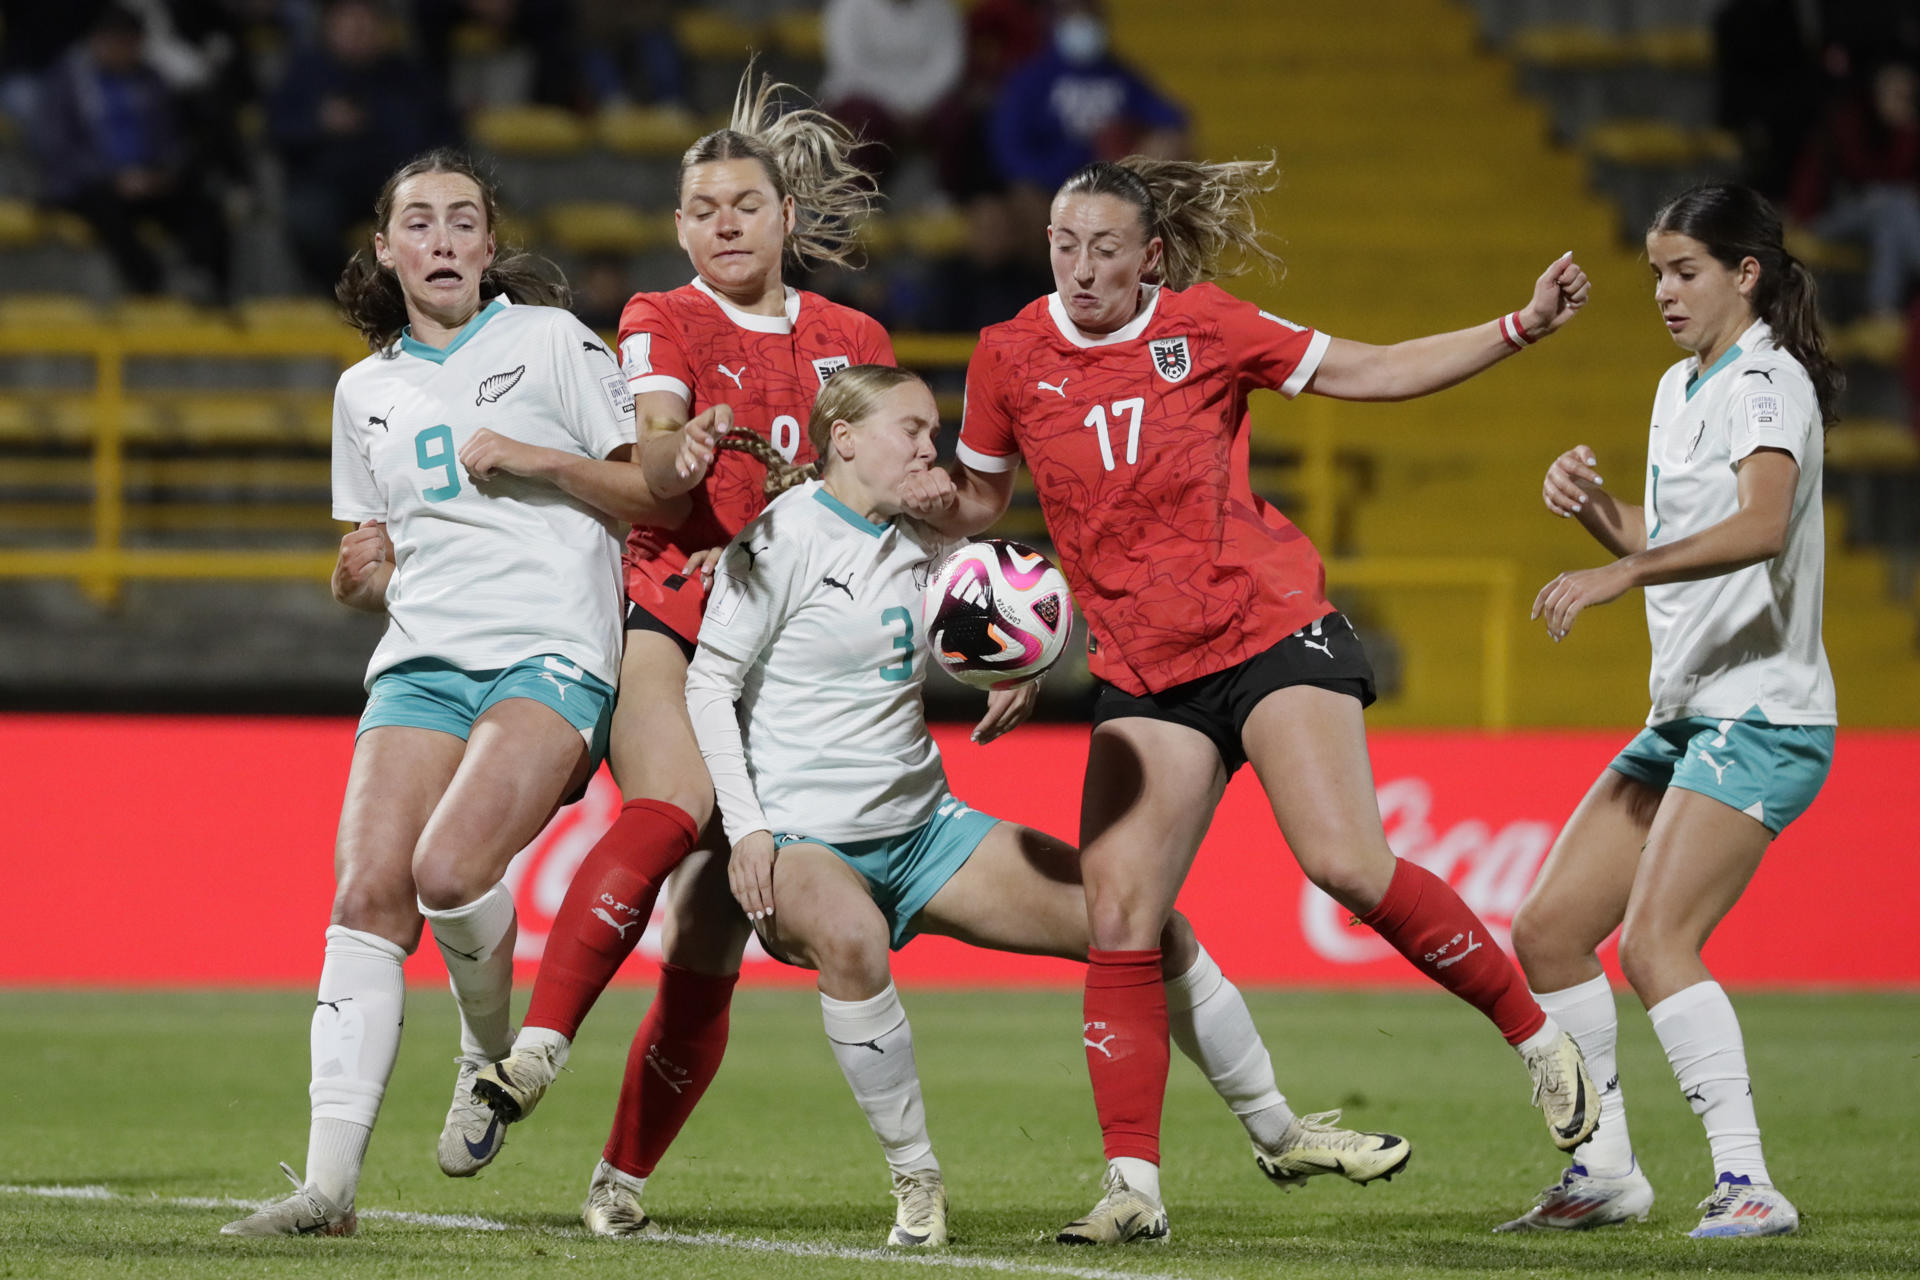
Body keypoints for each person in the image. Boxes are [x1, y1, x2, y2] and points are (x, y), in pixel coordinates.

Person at [904, 155, 1600, 1244]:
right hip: (1143, 668)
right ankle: (1134, 1186)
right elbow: (990, 502)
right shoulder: (1007, 355)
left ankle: (1537, 1035)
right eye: (1062, 243)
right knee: (1122, 916)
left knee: (1345, 863)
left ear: (1152, 257)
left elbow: (1372, 371)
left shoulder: (1209, 326)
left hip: (1269, 628)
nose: (1080, 267)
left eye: (1103, 248)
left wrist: (1518, 327)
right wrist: (1000, 618)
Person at [689, 364, 1409, 1247]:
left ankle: (1279, 1132)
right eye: (911, 428)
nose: (931, 444)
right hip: (807, 839)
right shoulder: (777, 540)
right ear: (844, 439)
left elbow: (995, 618)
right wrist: (748, 828)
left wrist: (1020, 671)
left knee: (1142, 926)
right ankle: (916, 1182)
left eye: (933, 428)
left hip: (925, 831)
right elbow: (708, 683)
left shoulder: (919, 539)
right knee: (851, 940)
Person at [466, 71, 894, 1236]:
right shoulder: (663, 316)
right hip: (675, 605)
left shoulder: (854, 341)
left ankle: (620, 1180)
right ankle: (536, 1049)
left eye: (741, 204)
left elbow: (875, 497)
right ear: (677, 225)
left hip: (789, 657)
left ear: (785, 216)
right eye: (700, 207)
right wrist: (683, 448)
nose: (722, 224)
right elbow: (654, 467)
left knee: (710, 934)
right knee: (674, 797)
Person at [221, 147, 675, 1237]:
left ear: (487, 245)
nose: (440, 240)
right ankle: (328, 1189)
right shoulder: (363, 390)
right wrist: (358, 577)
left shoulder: (553, 342)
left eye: (461, 221)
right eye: (416, 223)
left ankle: (484, 1052)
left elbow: (650, 488)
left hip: (551, 648)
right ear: (386, 249)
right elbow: (377, 555)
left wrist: (535, 458)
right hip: (423, 656)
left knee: (448, 867)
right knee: (368, 888)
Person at [1498, 184, 1841, 1240]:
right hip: (1690, 707)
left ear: (1747, 273)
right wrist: (1603, 517)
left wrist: (1624, 572)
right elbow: (1683, 531)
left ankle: (1748, 1180)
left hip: (1764, 711)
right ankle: (1602, 1166)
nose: (1664, 291)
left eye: (1686, 269)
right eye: (1654, 272)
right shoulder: (1677, 385)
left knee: (1656, 942)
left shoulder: (1769, 384)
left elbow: (1761, 524)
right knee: (1549, 930)